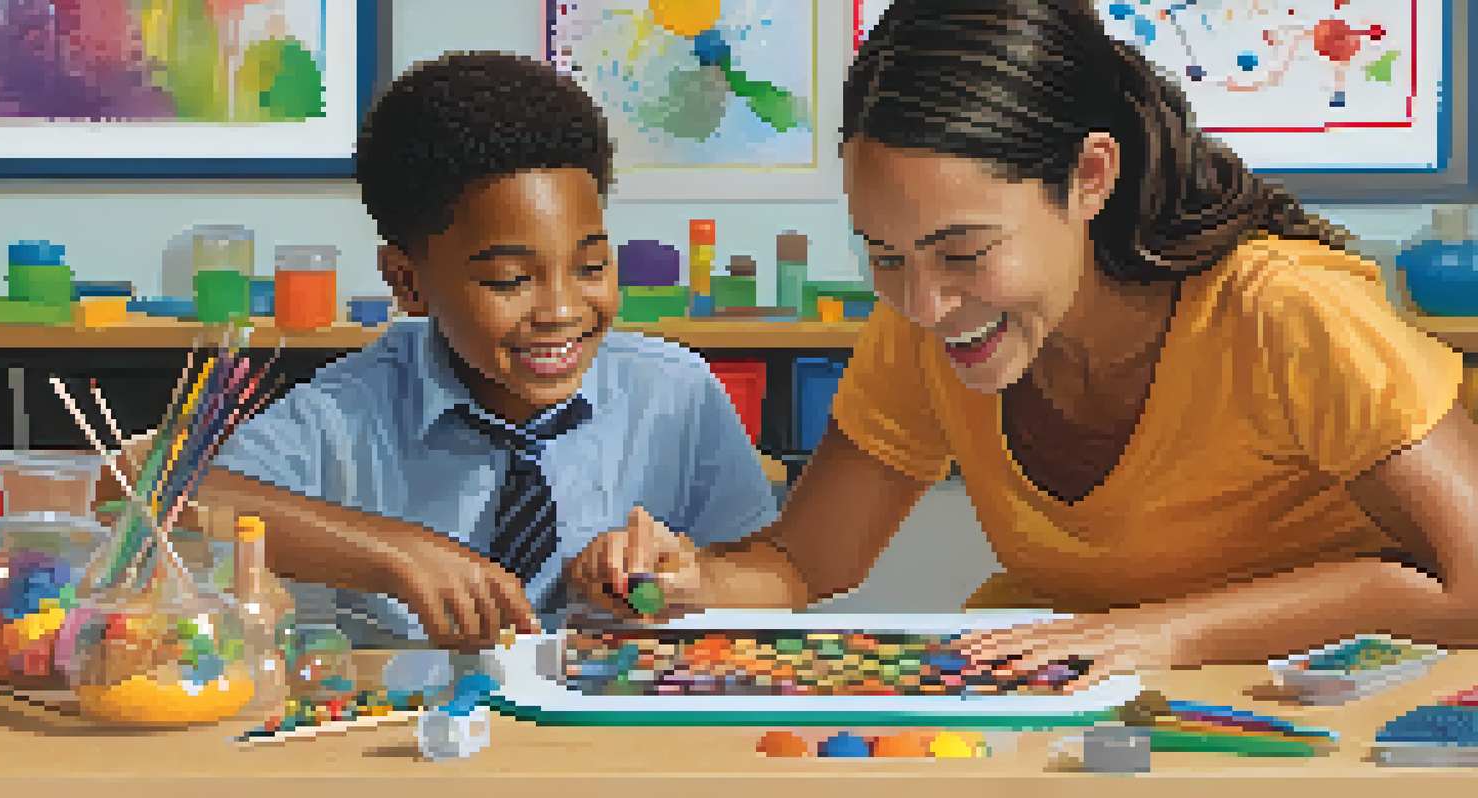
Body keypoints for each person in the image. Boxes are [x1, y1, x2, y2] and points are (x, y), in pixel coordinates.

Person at [569, 0, 1478, 689]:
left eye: (964, 251)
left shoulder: (1284, 311)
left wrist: (1161, 632)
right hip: (1060, 709)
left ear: (1089, 178)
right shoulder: (926, 327)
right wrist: (697, 584)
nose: (924, 304)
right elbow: (806, 562)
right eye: (885, 256)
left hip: (1308, 717)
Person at [101, 52, 778, 652]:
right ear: (408, 282)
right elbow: (133, 487)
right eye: (511, 280)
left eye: (592, 267)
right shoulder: (345, 416)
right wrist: (393, 552)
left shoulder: (675, 395)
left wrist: (680, 578)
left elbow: (770, 574)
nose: (562, 310)